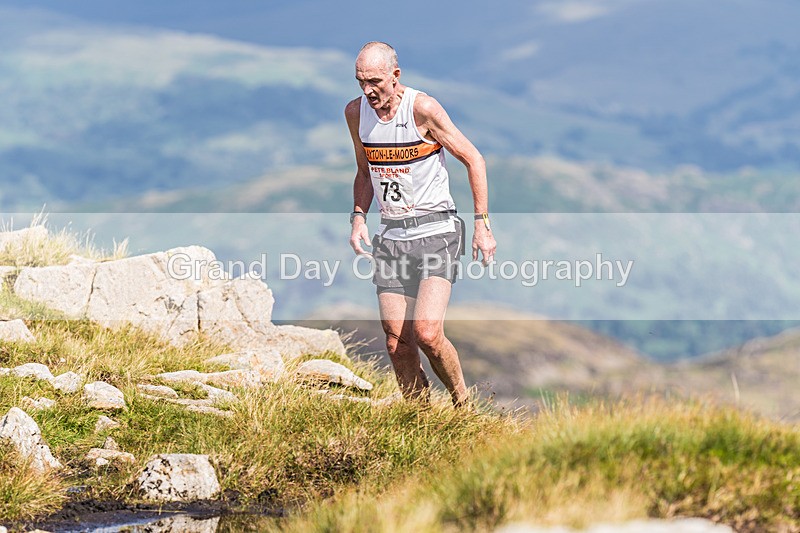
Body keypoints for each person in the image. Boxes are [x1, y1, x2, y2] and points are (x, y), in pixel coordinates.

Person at [345, 41, 496, 406]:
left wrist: (482, 224)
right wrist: (358, 217)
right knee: (397, 342)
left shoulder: (422, 109)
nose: (368, 90)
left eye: (376, 81)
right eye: (360, 81)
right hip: (392, 236)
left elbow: (473, 159)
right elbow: (364, 171)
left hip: (437, 232)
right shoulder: (355, 113)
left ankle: (463, 405)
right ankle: (420, 418)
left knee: (427, 333)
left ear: (396, 76)